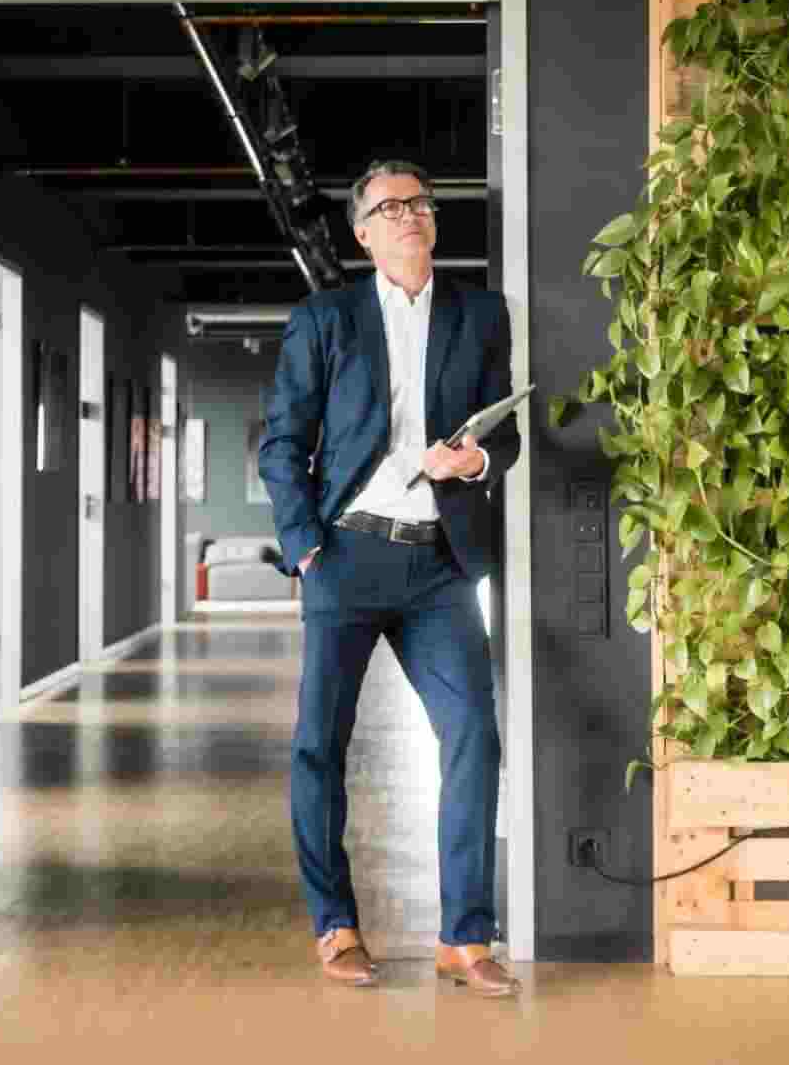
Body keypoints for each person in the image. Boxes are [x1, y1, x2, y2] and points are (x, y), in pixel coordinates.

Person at [258, 159, 523, 998]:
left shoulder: (481, 315)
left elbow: (503, 436)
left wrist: (475, 456)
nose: (409, 215)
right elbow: (281, 445)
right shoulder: (324, 318)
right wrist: (304, 548)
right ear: (363, 231)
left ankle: (466, 939)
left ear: (433, 223)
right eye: (390, 207)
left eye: (420, 204)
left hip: (439, 564)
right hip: (344, 556)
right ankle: (335, 926)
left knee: (475, 736)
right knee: (318, 749)